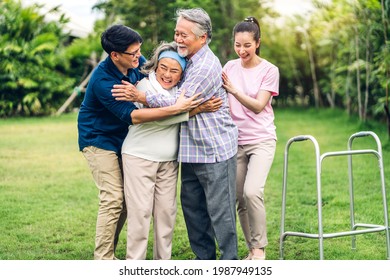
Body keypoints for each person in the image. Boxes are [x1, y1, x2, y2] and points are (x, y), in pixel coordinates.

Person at [112, 8, 239, 260]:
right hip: (190, 152)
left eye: (184, 34)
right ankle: (204, 263)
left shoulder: (204, 66)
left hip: (213, 151)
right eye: (176, 33)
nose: (178, 39)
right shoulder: (187, 61)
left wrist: (141, 96)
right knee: (193, 213)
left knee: (220, 213)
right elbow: (178, 105)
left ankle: (229, 264)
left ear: (202, 38)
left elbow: (177, 105)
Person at [77, 24, 202, 260]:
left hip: (123, 137)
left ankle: (112, 252)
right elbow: (135, 116)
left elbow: (158, 76)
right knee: (114, 198)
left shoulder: (135, 62)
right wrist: (178, 109)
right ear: (115, 55)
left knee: (127, 201)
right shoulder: (104, 81)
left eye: (139, 51)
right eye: (133, 53)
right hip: (99, 138)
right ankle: (103, 259)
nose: (139, 56)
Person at [122, 41, 222, 260]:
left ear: (182, 73)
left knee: (166, 215)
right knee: (140, 214)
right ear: (155, 67)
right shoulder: (144, 88)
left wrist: (190, 107)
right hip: (139, 157)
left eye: (174, 70)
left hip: (169, 162)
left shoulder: (182, 92)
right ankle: (134, 263)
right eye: (163, 68)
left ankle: (163, 264)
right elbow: (161, 120)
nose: (167, 74)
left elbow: (173, 110)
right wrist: (197, 109)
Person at [222, 16, 280, 260]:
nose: (241, 50)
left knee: (253, 191)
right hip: (235, 141)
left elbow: (258, 106)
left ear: (257, 43)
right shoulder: (228, 67)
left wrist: (234, 90)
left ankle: (260, 249)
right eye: (237, 45)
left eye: (247, 45)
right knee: (240, 198)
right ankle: (253, 249)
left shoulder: (269, 70)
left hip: (261, 139)